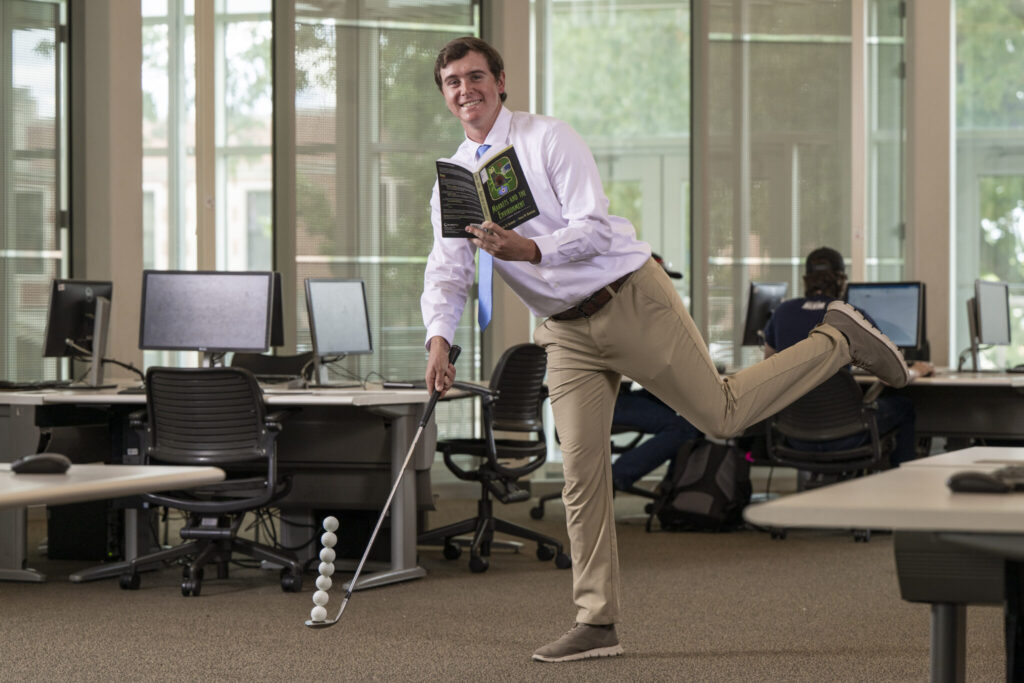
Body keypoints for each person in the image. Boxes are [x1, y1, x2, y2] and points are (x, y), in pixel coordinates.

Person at [421, 36, 909, 663]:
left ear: (501, 81)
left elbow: (594, 227)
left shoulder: (547, 139)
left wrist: (532, 249)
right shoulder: (453, 183)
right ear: (445, 95)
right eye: (454, 82)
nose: (467, 90)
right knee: (582, 474)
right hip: (565, 332)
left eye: (476, 77)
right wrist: (440, 339)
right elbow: (447, 271)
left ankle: (836, 339)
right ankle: (596, 622)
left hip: (628, 299)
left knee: (721, 415)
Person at [762, 246, 933, 467]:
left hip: (793, 435)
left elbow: (769, 372)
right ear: (842, 279)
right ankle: (905, 488)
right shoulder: (851, 315)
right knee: (904, 407)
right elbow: (891, 377)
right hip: (848, 434)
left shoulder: (782, 312)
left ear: (806, 280)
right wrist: (917, 370)